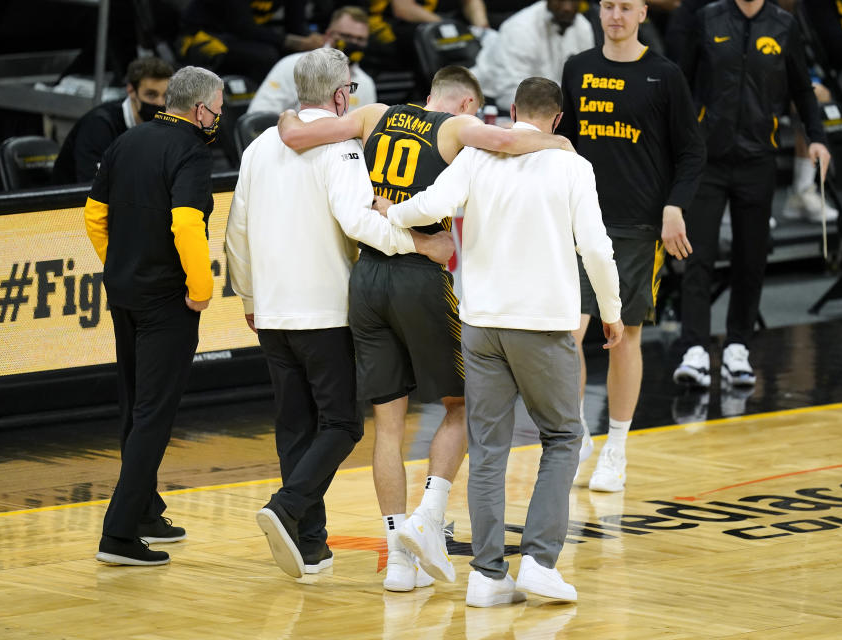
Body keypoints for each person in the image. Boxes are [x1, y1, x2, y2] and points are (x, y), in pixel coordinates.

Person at [277, 65, 573, 592]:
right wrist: (562, 143)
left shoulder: (373, 114)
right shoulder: (454, 129)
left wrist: (283, 115)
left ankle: (398, 560)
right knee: (462, 405)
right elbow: (509, 141)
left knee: (388, 425)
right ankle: (428, 520)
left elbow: (297, 134)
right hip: (421, 272)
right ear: (464, 106)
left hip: (366, 276)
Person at [378, 76, 623, 607]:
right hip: (542, 326)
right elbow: (598, 251)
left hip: (481, 322)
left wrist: (389, 215)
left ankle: (487, 577)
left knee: (488, 448)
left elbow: (427, 206)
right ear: (558, 120)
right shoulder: (572, 164)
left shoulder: (477, 154)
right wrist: (612, 313)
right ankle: (538, 561)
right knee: (562, 438)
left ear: (511, 110)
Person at [225, 48, 455, 580]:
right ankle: (286, 507)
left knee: (295, 427)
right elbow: (358, 221)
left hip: (273, 312)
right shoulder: (343, 148)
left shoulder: (259, 146)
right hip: (325, 310)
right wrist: (421, 245)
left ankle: (310, 546)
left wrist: (250, 299)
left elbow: (236, 230)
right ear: (339, 95)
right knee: (343, 424)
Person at [558, 0, 705, 492]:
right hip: (580, 220)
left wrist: (674, 207)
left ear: (643, 12)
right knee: (568, 335)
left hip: (639, 226)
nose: (614, 15)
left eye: (625, 6)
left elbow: (691, 151)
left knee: (624, 336)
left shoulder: (664, 75)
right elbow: (565, 142)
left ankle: (616, 448)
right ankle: (577, 437)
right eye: (607, 6)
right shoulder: (577, 68)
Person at [85, 66, 223, 566]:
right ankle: (118, 535)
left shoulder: (127, 140)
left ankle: (144, 510)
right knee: (153, 414)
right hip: (167, 299)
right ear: (200, 108)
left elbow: (94, 215)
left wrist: (121, 263)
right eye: (219, 108)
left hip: (123, 291)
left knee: (134, 404)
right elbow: (187, 221)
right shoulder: (190, 149)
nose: (221, 116)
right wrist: (200, 288)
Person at [669, 0, 831, 390]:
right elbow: (682, 83)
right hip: (707, 158)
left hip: (758, 157)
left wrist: (818, 137)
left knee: (751, 257)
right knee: (698, 254)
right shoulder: (708, 18)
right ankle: (694, 349)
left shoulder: (783, 25)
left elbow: (802, 88)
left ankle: (738, 346)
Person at [52, 57, 173, 184]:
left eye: (166, 96)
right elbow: (93, 189)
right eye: (151, 95)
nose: (160, 103)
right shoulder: (99, 126)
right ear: (131, 91)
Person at [471, 0, 598, 112]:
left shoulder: (583, 28)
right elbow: (510, 94)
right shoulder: (521, 28)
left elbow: (585, 85)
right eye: (560, 1)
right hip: (491, 103)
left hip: (549, 106)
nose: (567, 8)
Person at [248, 7, 377, 115]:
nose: (353, 43)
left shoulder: (365, 83)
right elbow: (259, 117)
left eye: (360, 40)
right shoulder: (293, 65)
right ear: (328, 35)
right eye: (346, 36)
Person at [178, 0, 325, 81]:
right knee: (266, 56)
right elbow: (243, 27)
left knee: (308, 57)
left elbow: (295, 27)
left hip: (245, 37)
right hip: (201, 36)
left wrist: (316, 41)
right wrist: (297, 42)